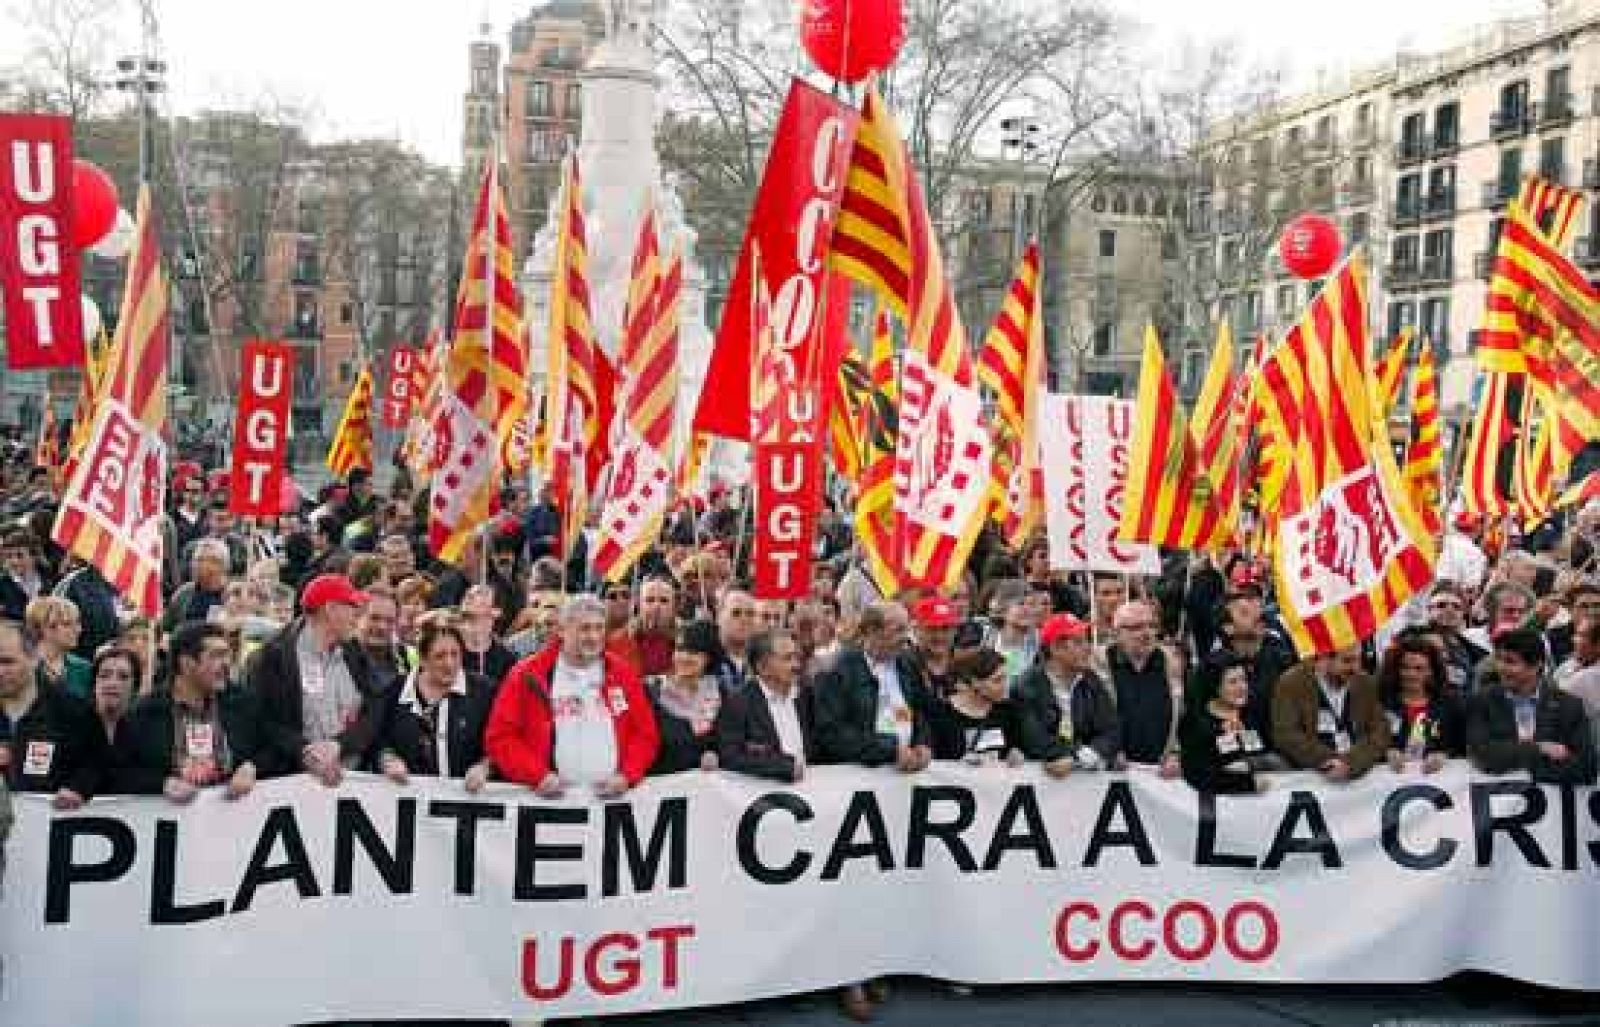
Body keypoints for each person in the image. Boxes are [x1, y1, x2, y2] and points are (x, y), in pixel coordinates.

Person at [484, 595, 659, 797]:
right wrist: (537, 775)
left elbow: (645, 734)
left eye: (599, 628)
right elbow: (500, 737)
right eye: (584, 628)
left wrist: (627, 775)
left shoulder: (622, 673)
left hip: (610, 805)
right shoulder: (527, 675)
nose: (593, 636)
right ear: (562, 630)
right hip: (549, 805)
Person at [244, 574, 390, 784]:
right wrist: (305, 751)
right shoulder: (273, 656)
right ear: (330, 609)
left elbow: (375, 707)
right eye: (352, 606)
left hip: (352, 781)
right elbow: (265, 722)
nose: (357, 615)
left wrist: (340, 744)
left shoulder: (354, 651)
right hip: (292, 783)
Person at [114, 623, 261, 802]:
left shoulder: (242, 703)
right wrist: (161, 784)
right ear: (186, 662)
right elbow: (119, 772)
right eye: (216, 656)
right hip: (173, 820)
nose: (226, 664)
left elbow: (276, 748)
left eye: (227, 655)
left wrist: (252, 766)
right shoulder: (143, 714)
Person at [810, 601, 935, 771]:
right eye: (899, 630)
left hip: (905, 774)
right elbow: (832, 734)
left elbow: (919, 712)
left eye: (907, 629)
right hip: (857, 778)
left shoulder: (908, 666)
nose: (907, 637)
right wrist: (889, 749)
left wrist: (922, 743)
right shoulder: (836, 672)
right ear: (872, 631)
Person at [375, 620, 496, 792]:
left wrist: (484, 767)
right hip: (406, 799)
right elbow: (377, 739)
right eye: (440, 656)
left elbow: (501, 740)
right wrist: (388, 759)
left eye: (455, 654)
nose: (449, 663)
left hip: (467, 800)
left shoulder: (484, 692)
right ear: (422, 659)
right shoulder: (395, 691)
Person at [1466, 627, 1597, 785]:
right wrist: (1538, 749)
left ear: (1536, 666)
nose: (1501, 667)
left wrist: (1520, 768)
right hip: (1496, 804)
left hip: (1549, 806)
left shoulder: (1569, 705)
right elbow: (1482, 754)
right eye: (1499, 659)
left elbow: (1585, 768)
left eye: (1510, 661)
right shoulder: (1482, 700)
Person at [0, 619, 105, 808]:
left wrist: (78, 788)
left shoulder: (72, 710)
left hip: (48, 825)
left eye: (7, 662)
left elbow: (97, 762)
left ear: (33, 658)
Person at [1014, 612, 1120, 777]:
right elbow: (1034, 740)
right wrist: (1080, 754)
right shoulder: (1027, 686)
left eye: (1087, 641)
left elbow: (1111, 730)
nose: (1088, 648)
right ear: (1055, 648)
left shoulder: (1091, 680)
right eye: (1079, 642)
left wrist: (1085, 755)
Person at [1272, 648, 1391, 781]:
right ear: (1323, 659)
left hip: (1358, 774)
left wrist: (1350, 762)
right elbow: (1286, 735)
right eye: (1347, 661)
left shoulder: (1364, 682)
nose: (1355, 668)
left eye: (1358, 660)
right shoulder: (1291, 683)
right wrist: (1328, 760)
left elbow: (1380, 732)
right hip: (1310, 775)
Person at [717, 628, 814, 783]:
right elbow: (731, 756)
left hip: (814, 793)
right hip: (763, 800)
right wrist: (784, 767)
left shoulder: (806, 696)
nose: (796, 665)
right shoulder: (738, 703)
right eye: (787, 659)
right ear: (762, 667)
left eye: (797, 657)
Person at [1104, 600, 1182, 777]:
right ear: (1117, 632)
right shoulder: (1099, 664)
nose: (1146, 633)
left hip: (1163, 775)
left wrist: (1177, 753)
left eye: (1151, 626)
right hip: (1113, 773)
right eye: (1136, 627)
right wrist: (1108, 750)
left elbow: (1188, 717)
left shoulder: (1172, 663)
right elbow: (1087, 718)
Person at [1180, 655, 1272, 794]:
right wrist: (1248, 784)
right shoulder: (1196, 723)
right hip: (1217, 809)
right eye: (1233, 682)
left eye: (1244, 680)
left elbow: (1260, 755)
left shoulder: (1251, 714)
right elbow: (1199, 776)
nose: (1242, 687)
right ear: (1214, 686)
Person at [1377, 634, 1465, 773]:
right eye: (1405, 667)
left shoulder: (1450, 704)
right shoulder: (1380, 702)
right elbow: (1366, 741)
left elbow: (1462, 745)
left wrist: (1445, 755)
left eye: (1419, 668)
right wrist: (1385, 752)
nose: (1411, 674)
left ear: (1431, 671)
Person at [647, 620, 725, 775]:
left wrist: (716, 754)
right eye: (680, 649)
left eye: (694, 652)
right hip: (659, 788)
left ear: (709, 657)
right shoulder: (651, 691)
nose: (684, 657)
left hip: (707, 791)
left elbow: (728, 742)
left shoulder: (721, 694)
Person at [930, 648, 1021, 764]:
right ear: (975, 682)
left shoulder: (1006, 711)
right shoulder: (941, 713)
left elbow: (1013, 746)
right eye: (997, 680)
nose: (1004, 686)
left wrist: (1015, 754)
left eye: (1005, 678)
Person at [610, 576, 678, 679]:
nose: (656, 606)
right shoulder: (618, 641)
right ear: (639, 604)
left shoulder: (686, 641)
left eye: (664, 601)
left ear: (674, 606)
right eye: (650, 600)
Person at [1425, 582, 1486, 696]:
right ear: (1429, 610)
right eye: (1441, 605)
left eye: (1456, 606)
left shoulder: (1476, 655)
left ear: (1463, 613)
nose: (1449, 610)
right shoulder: (1411, 642)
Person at [25, 596, 91, 700]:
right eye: (67, 624)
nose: (78, 630)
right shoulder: (23, 667)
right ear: (44, 628)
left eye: (78, 623)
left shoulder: (85, 669)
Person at [459, 584, 517, 683]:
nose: (469, 594)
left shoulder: (506, 660)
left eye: (481, 593)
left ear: (496, 611)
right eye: (468, 592)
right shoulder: (445, 643)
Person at [356, 587, 411, 691]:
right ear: (357, 617)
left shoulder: (407, 658)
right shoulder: (339, 660)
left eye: (390, 620)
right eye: (374, 618)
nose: (382, 626)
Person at [89, 646, 140, 752]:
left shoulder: (145, 733)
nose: (112, 683)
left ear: (134, 687)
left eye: (123, 677)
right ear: (94, 684)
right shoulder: (68, 728)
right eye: (104, 675)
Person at [711, 589, 758, 686]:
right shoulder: (705, 661)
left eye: (750, 614)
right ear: (719, 616)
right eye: (736, 613)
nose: (744, 620)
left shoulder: (762, 664)